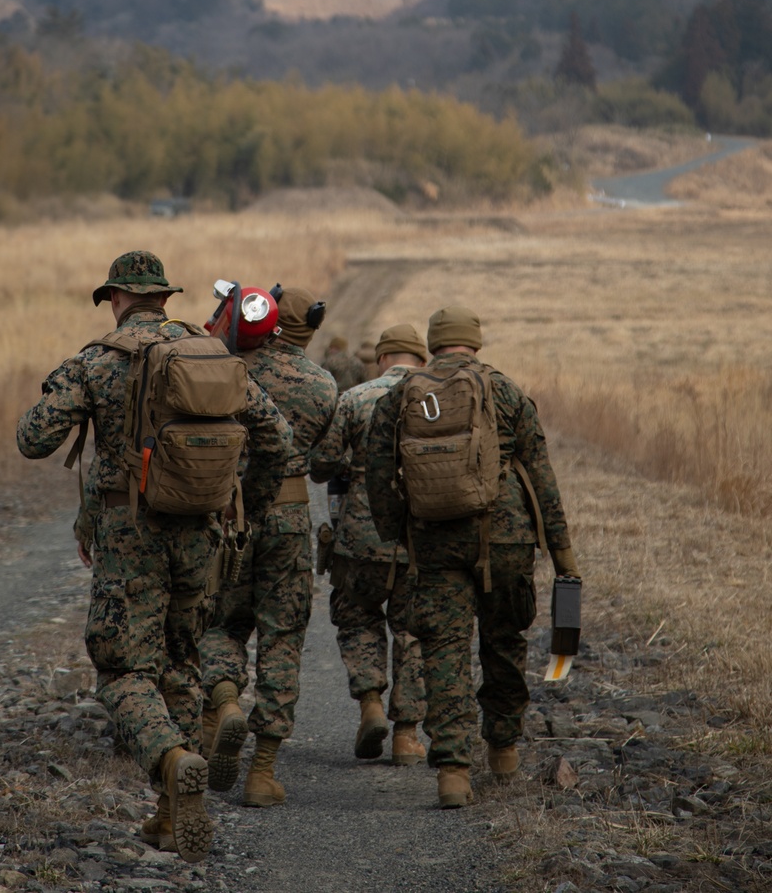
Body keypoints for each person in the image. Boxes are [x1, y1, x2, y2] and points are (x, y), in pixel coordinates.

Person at [16, 251, 291, 863]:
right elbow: (278, 437)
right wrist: (242, 500)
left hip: (129, 533)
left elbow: (34, 440)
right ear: (165, 298)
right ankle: (170, 817)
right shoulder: (210, 354)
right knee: (182, 660)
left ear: (115, 296)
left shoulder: (96, 360)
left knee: (122, 670)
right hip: (201, 532)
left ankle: (172, 759)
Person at [365, 304, 578, 809]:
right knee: (503, 642)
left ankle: (453, 773)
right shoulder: (505, 391)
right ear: (476, 342)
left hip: (434, 540)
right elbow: (541, 477)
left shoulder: (401, 394)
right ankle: (503, 750)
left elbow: (378, 475)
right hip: (505, 541)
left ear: (433, 344)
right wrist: (564, 554)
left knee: (445, 653)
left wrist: (401, 533)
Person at [200, 286, 338, 806]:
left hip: (227, 514)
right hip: (288, 515)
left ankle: (225, 700)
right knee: (282, 637)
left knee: (220, 621)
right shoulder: (322, 385)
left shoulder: (225, 369)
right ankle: (262, 772)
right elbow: (324, 455)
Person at [309, 323, 428, 766]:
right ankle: (407, 735)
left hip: (359, 540)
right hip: (419, 542)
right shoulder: (435, 398)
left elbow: (320, 466)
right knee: (413, 632)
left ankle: (371, 704)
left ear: (381, 359)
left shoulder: (354, 398)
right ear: (422, 359)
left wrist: (352, 464)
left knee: (358, 620)